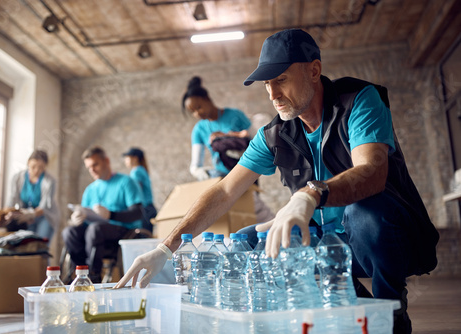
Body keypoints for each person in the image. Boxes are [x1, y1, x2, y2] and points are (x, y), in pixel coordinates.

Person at [115, 29, 439, 334]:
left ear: (314, 70)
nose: (272, 94)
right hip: (327, 244)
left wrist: (309, 195)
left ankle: (390, 306)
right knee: (248, 238)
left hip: (385, 235)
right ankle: (350, 305)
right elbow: (225, 190)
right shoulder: (275, 134)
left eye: (281, 79)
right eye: (266, 84)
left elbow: (372, 172)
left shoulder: (358, 101)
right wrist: (165, 248)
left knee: (363, 213)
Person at [182, 76, 275, 223]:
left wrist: (230, 137)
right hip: (223, 178)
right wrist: (202, 173)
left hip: (247, 172)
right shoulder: (199, 130)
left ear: (207, 98)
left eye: (198, 107)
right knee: (235, 220)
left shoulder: (235, 115)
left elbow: (256, 141)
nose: (197, 114)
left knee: (257, 213)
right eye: (192, 111)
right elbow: (195, 166)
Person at [62, 146, 146, 283]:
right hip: (94, 236)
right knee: (69, 232)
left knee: (94, 229)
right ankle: (80, 275)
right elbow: (84, 218)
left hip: (122, 232)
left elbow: (138, 213)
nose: (92, 170)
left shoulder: (126, 182)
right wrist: (76, 219)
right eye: (89, 167)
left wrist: (111, 215)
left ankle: (93, 277)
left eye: (95, 165)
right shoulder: (90, 190)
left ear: (106, 161)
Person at [5, 150, 60, 242]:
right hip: (26, 218)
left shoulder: (50, 181)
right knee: (27, 244)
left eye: (41, 168)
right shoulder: (17, 178)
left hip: (45, 216)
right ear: (28, 163)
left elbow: (44, 207)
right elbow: (11, 201)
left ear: (45, 167)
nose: (36, 170)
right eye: (33, 166)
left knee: (40, 245)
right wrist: (2, 218)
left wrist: (31, 214)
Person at [122, 147, 157, 233]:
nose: (125, 160)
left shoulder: (136, 172)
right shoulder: (141, 170)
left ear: (135, 158)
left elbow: (135, 191)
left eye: (127, 157)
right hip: (149, 208)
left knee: (144, 238)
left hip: (145, 209)